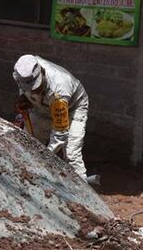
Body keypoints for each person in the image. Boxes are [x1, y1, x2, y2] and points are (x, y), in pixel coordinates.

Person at [12, 54, 92, 182]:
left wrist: (45, 157)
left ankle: (83, 192)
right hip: (44, 105)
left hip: (73, 107)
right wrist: (26, 98)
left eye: (35, 88)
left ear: (42, 74)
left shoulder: (59, 91)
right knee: (28, 141)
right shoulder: (27, 67)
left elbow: (60, 134)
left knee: (71, 154)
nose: (32, 91)